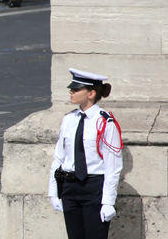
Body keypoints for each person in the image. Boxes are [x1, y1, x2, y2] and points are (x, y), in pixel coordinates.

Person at [47, 68, 123, 239]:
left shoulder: (104, 122)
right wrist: (53, 192)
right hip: (69, 187)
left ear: (91, 93)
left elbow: (113, 165)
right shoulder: (69, 119)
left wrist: (108, 202)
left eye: (76, 89)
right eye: (72, 89)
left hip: (93, 187)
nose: (71, 92)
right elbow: (59, 157)